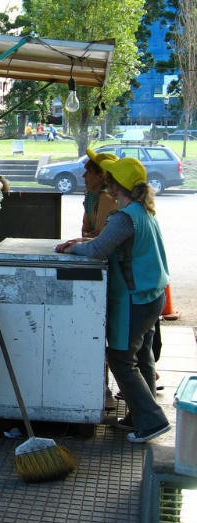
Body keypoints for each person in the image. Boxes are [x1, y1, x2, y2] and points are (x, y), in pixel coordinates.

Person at [55, 157, 170, 444]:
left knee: (121, 358)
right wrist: (82, 243)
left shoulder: (124, 217)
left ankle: (152, 420)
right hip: (152, 296)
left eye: (111, 180)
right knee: (142, 356)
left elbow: (98, 250)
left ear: (117, 185)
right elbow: (105, 243)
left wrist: (71, 249)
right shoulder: (141, 211)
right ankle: (139, 416)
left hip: (135, 299)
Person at [81, 149, 118, 238]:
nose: (84, 175)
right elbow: (85, 230)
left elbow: (99, 236)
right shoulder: (90, 194)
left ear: (101, 176)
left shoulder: (107, 197)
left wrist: (87, 236)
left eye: (89, 172)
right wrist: (86, 235)